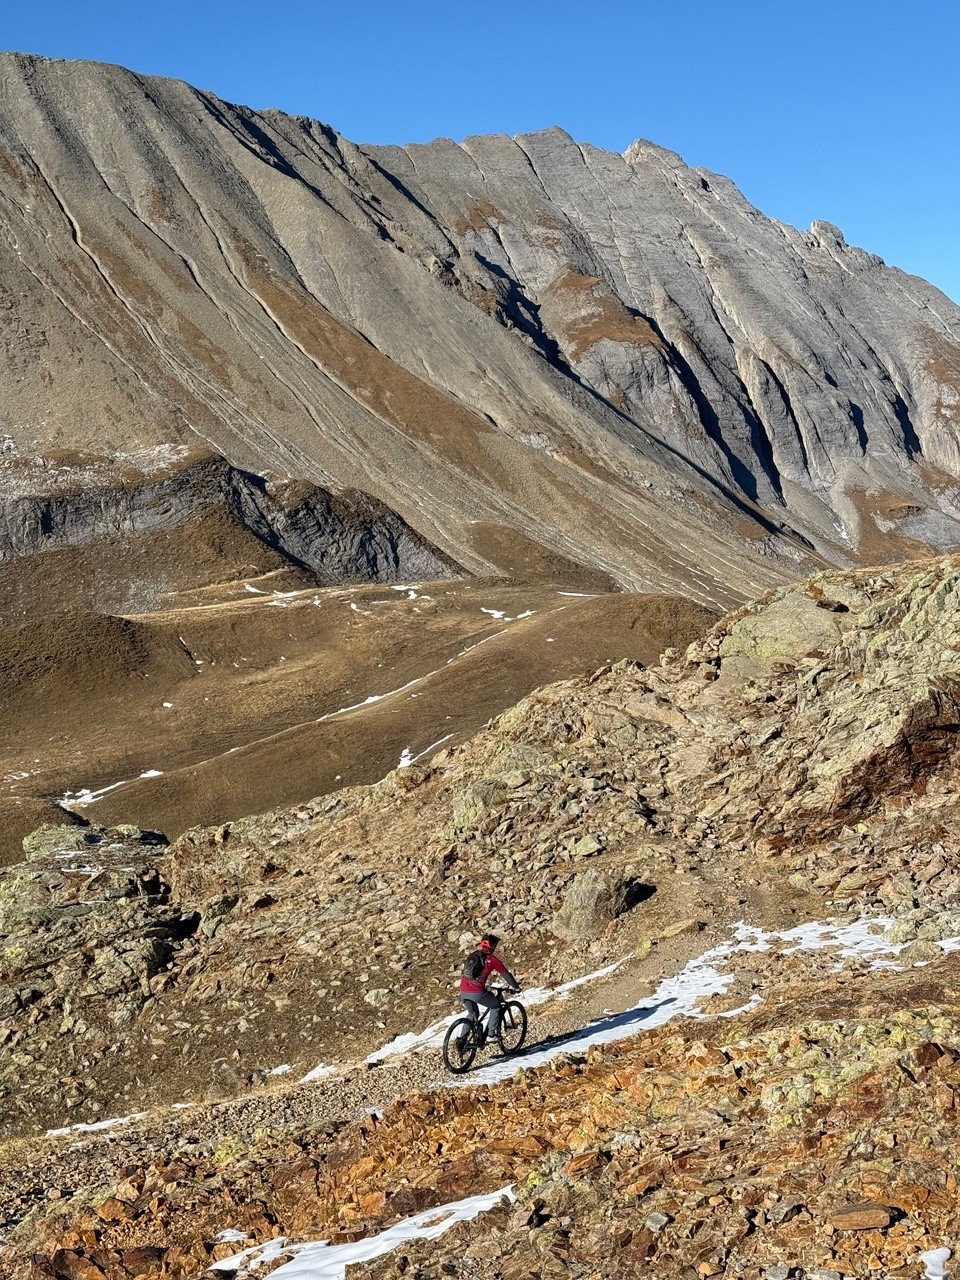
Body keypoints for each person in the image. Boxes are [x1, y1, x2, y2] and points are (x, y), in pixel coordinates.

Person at [458, 933, 520, 1044]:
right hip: (476, 992)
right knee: (496, 1007)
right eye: (495, 946)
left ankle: (462, 1041)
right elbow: (506, 974)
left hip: (463, 990)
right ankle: (491, 1034)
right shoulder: (492, 959)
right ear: (492, 946)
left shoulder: (473, 955)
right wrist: (516, 987)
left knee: (472, 1014)